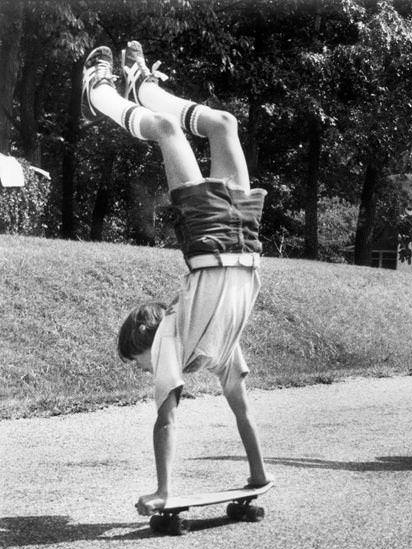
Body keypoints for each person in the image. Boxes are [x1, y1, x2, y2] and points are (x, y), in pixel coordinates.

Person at [82, 42, 273, 515]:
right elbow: (241, 406)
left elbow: (165, 419)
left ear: (146, 340)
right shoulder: (215, 346)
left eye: (140, 364)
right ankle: (143, 84)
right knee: (224, 123)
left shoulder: (170, 339)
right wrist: (257, 473)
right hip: (245, 239)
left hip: (209, 241)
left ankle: (101, 91)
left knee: (168, 129)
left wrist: (165, 491)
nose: (149, 372)